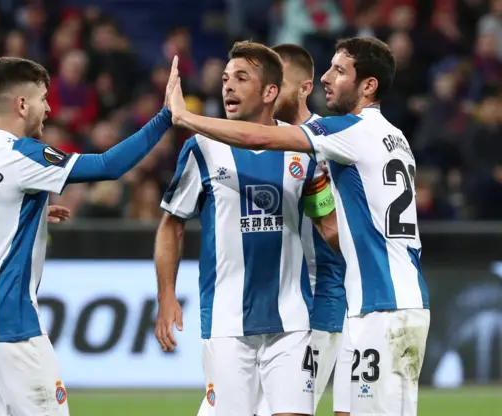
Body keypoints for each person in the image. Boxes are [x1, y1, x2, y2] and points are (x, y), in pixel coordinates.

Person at [168, 36, 430, 416]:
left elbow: (258, 136)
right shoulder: (396, 137)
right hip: (369, 303)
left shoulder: (349, 131)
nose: (326, 77)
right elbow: (339, 229)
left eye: (339, 71)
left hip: (386, 305)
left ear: (368, 85)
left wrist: (186, 117)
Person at [0, 56, 178, 416]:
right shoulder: (18, 152)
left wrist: (15, 214)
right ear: (21, 104)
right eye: (43, 99)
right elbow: (108, 166)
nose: (48, 109)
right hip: (8, 320)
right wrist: (166, 117)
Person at [154, 41, 336, 416]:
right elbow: (171, 225)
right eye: (225, 78)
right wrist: (166, 296)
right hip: (226, 322)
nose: (227, 86)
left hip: (292, 318)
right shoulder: (201, 148)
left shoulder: (303, 147)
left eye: (241, 78)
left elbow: (327, 224)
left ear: (270, 91)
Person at [254, 44, 350, 416]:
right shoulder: (260, 142)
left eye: (279, 83)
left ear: (305, 88)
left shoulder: (328, 141)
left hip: (320, 300)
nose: (270, 92)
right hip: (271, 303)